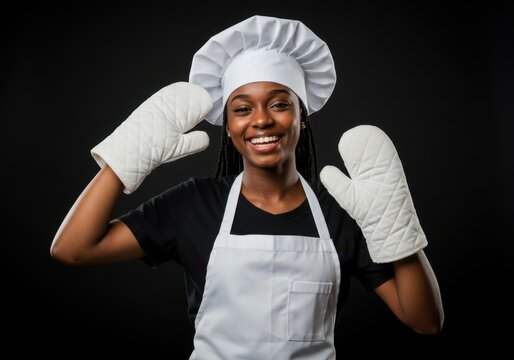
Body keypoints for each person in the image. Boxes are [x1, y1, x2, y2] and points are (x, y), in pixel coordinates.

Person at [51, 15, 444, 359]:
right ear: (228, 125)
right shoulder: (194, 204)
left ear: (301, 117)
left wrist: (395, 225)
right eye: (242, 108)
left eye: (279, 104)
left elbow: (425, 321)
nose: (261, 120)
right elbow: (73, 249)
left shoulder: (343, 211)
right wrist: (127, 158)